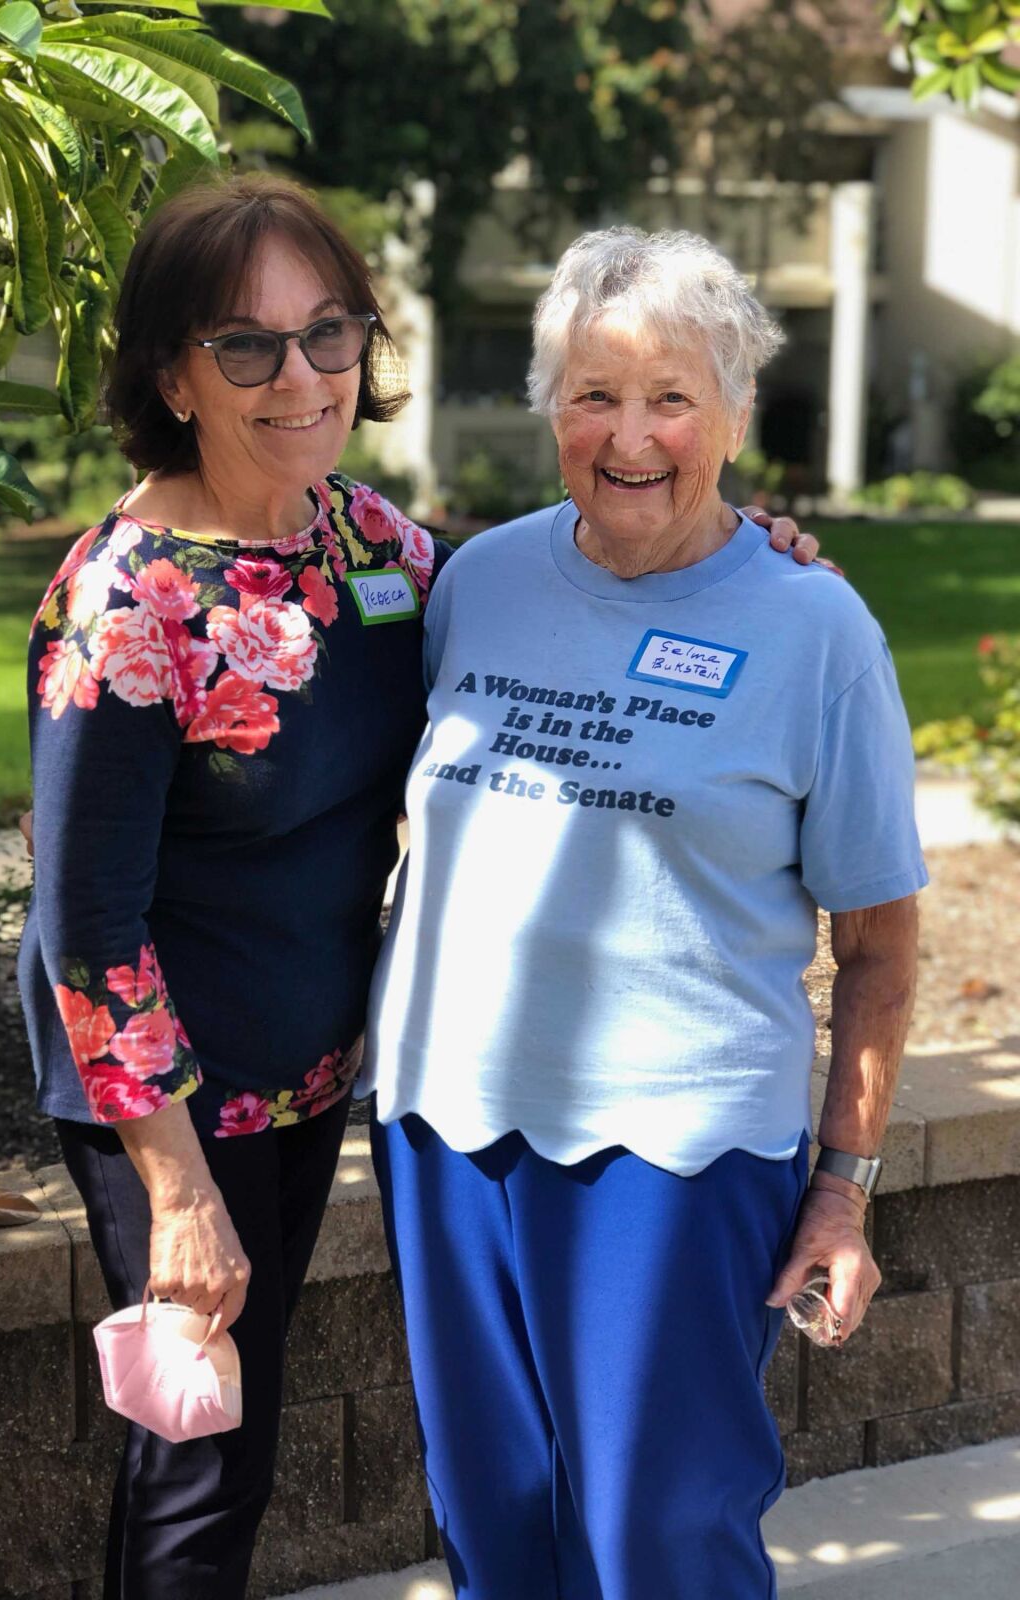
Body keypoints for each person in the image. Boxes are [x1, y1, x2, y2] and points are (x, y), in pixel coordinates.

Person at [18, 175, 823, 1600]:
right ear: (172, 373)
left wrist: (734, 548)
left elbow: (546, 605)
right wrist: (179, 1191)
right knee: (200, 1460)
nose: (302, 376)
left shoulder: (364, 545)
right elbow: (86, 934)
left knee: (239, 1437)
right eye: (247, 345)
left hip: (316, 1072)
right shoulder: (123, 607)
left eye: (330, 333)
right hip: (176, 1102)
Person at [364, 226, 925, 1599]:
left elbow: (881, 944)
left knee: (652, 1540)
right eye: (594, 394)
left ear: (733, 415)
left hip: (673, 1154)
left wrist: (842, 1193)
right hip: (445, 1128)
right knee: (491, 1525)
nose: (630, 437)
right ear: (553, 405)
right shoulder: (476, 583)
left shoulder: (816, 630)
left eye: (672, 397)